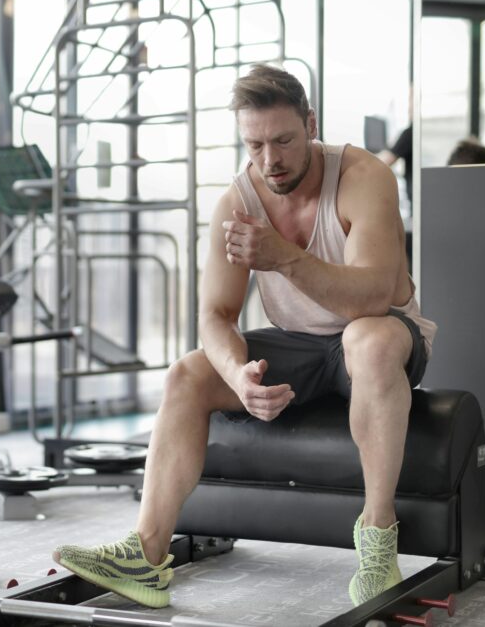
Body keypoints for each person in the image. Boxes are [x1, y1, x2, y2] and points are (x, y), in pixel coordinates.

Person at [52, 64, 437, 609]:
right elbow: (215, 314)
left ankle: (378, 539)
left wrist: (284, 257)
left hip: (383, 335)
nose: (269, 158)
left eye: (283, 140)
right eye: (254, 145)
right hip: (299, 344)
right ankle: (146, 555)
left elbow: (373, 298)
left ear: (311, 125)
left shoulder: (363, 176)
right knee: (188, 373)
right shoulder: (236, 203)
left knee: (367, 340)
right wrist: (237, 375)